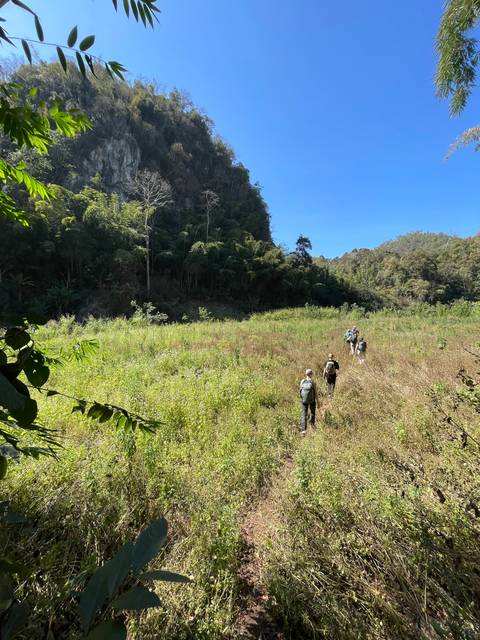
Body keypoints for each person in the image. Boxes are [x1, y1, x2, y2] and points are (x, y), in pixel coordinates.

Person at [299, 368, 318, 435]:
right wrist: (318, 401)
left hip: (304, 400)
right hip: (312, 400)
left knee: (304, 414)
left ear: (306, 374)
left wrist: (301, 399)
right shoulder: (312, 382)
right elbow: (316, 393)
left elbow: (300, 391)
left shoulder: (302, 381)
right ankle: (312, 426)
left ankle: (303, 430)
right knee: (312, 412)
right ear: (311, 374)